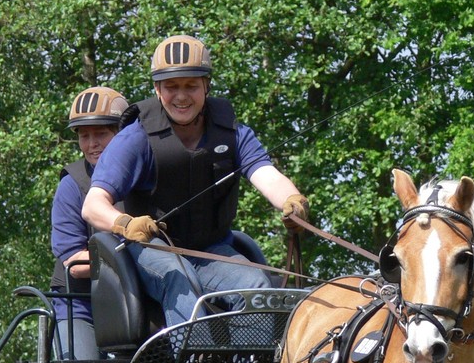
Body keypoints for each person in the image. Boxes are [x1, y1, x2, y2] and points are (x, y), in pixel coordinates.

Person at [82, 34, 310, 329]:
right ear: (157, 88)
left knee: (256, 285)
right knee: (181, 280)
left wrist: (292, 201)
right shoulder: (134, 139)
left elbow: (266, 175)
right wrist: (125, 224)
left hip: (211, 250)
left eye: (191, 85)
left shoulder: (232, 134)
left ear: (206, 86)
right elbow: (93, 204)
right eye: (171, 87)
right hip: (151, 252)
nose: (181, 96)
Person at [50, 85, 129, 359]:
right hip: (82, 303)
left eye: (101, 134)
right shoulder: (72, 185)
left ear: (124, 134)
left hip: (134, 301)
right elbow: (74, 262)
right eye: (85, 136)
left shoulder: (143, 175)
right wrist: (134, 262)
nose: (92, 143)